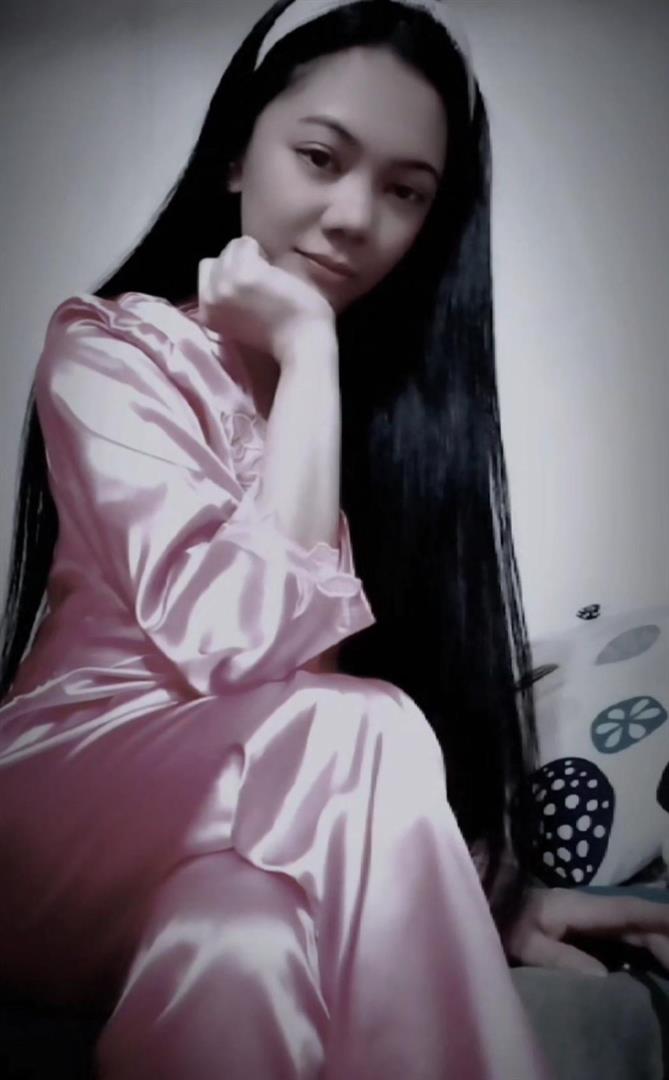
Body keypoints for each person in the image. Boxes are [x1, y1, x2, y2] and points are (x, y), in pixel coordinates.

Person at [0, 0, 667, 1076]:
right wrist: (308, 349)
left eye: (406, 192)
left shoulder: (393, 426)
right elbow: (242, 648)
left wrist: (481, 898)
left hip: (232, 836)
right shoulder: (111, 349)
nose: (355, 216)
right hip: (54, 817)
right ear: (236, 157)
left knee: (241, 939)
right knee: (359, 726)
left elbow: (320, 748)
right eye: (320, 157)